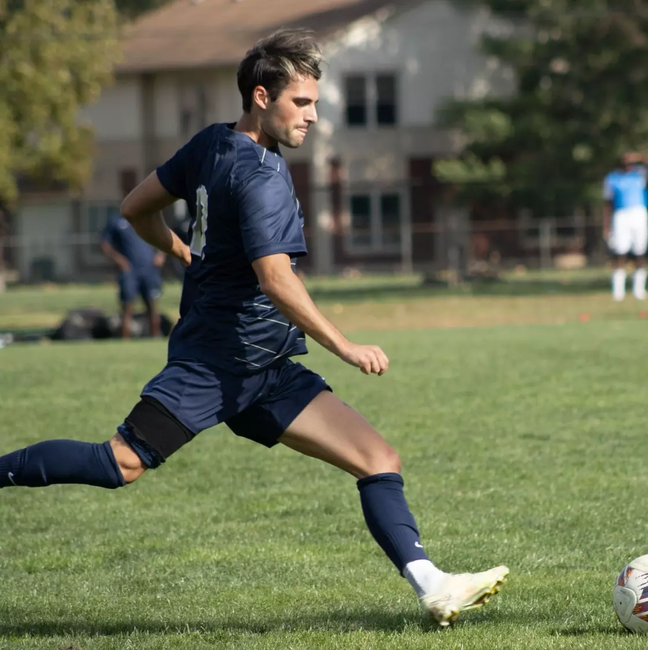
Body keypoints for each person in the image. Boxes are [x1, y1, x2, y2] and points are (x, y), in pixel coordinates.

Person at [0, 29, 506, 628]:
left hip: (266, 366)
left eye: (315, 103)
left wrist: (187, 254)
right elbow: (275, 278)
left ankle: (433, 587)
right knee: (120, 463)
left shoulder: (213, 141)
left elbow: (136, 207)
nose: (312, 116)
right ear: (262, 97)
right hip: (216, 363)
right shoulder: (263, 176)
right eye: (301, 102)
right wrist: (344, 345)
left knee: (377, 458)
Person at [603, 152, 648, 301]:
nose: (628, 165)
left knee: (640, 252)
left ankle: (639, 290)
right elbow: (607, 203)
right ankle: (618, 292)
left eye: (631, 162)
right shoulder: (612, 178)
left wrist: (641, 157)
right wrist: (606, 226)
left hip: (639, 214)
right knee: (620, 251)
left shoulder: (640, 174)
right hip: (621, 215)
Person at [101, 211, 165, 338]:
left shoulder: (148, 217)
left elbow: (163, 236)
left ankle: (155, 338)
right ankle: (126, 341)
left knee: (152, 307)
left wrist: (161, 254)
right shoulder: (116, 221)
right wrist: (119, 260)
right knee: (128, 307)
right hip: (129, 270)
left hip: (149, 269)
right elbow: (104, 244)